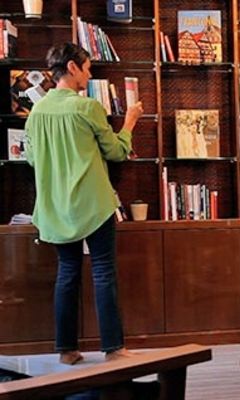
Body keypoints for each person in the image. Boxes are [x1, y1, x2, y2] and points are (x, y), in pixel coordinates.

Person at [25, 42, 144, 364]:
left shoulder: (37, 113)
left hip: (55, 209)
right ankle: (114, 349)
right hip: (93, 205)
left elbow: (32, 159)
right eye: (87, 68)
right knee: (103, 272)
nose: (89, 75)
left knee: (67, 273)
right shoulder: (87, 107)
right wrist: (130, 121)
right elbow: (116, 152)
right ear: (72, 67)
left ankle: (66, 350)